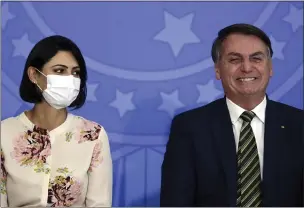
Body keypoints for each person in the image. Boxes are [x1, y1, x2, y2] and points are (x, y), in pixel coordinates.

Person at [160, 23, 303, 207]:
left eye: (256, 58)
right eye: (235, 60)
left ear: (270, 68)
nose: (246, 67)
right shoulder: (189, 128)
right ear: (218, 69)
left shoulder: (299, 125)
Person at [0, 35, 113, 207]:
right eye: (59, 71)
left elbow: (100, 203)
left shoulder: (93, 136)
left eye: (75, 72)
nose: (70, 79)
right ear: (34, 75)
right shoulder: (4, 133)